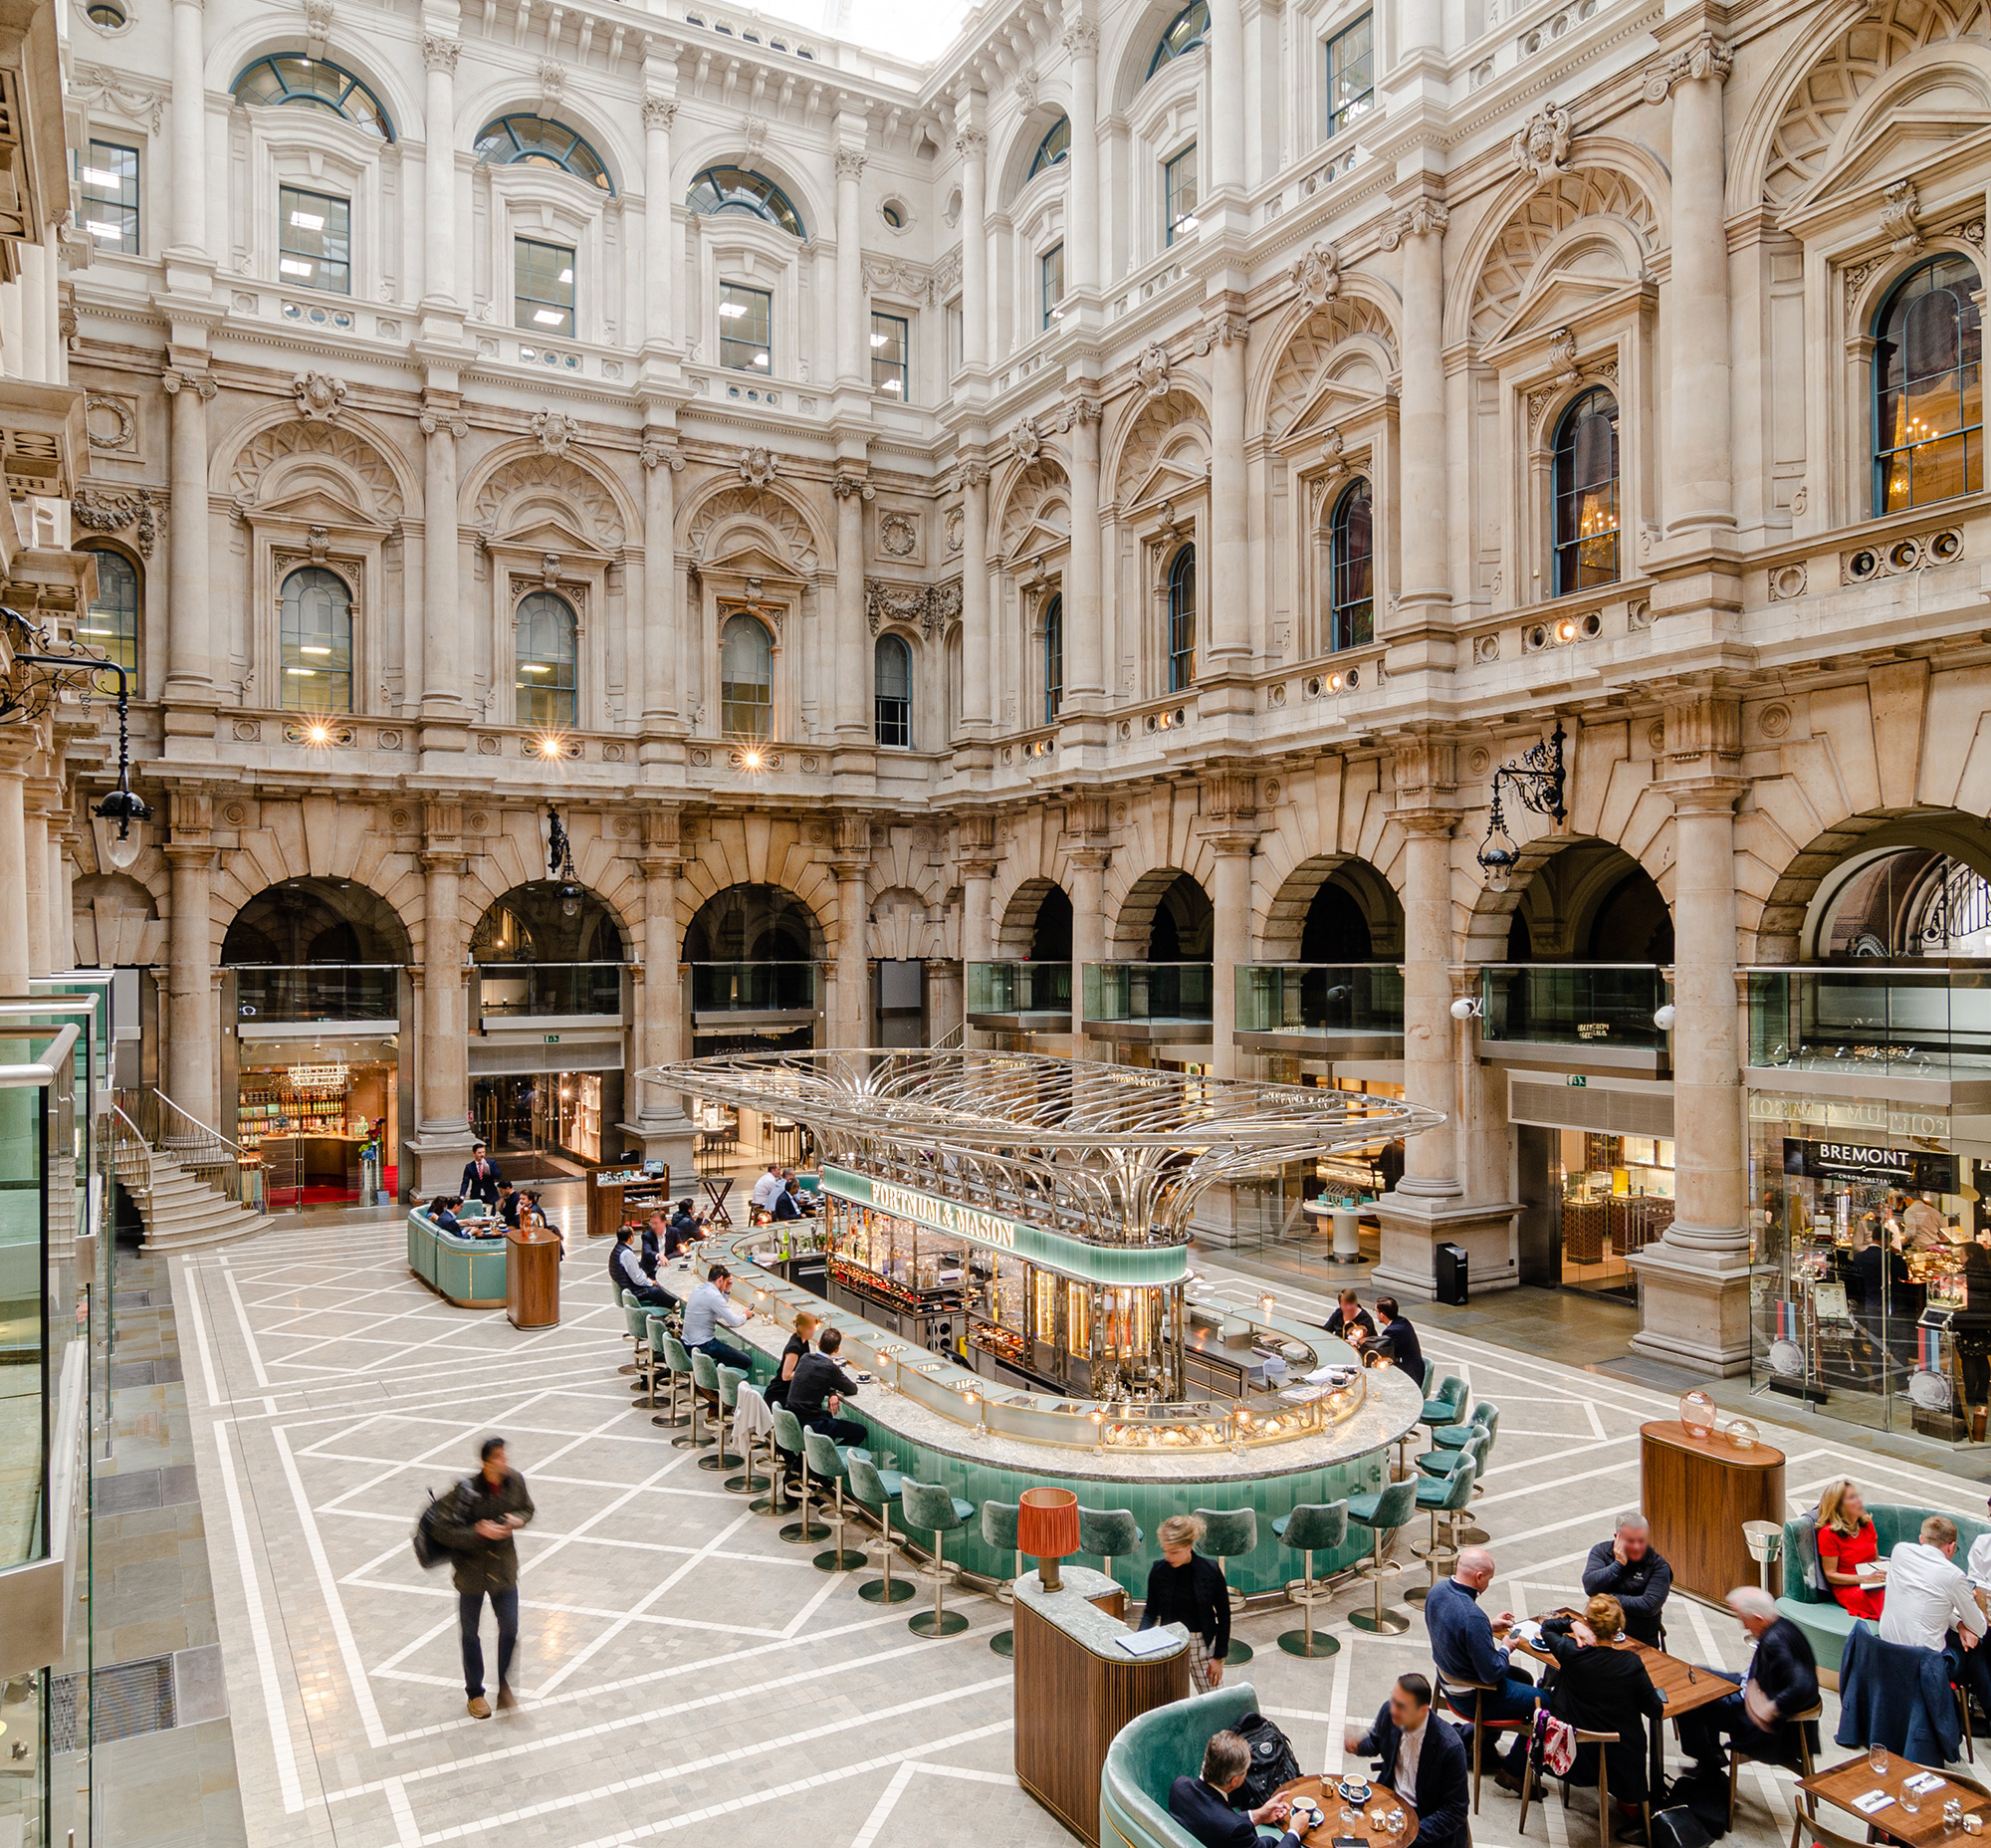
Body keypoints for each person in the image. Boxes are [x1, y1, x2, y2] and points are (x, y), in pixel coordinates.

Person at [428, 1437, 535, 1720]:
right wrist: (478, 1533)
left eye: (504, 1456)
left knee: (510, 1629)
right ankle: (475, 1693)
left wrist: (518, 1520)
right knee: (470, 1634)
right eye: (498, 1457)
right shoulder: (465, 1492)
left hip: (503, 1572)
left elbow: (528, 1508)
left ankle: (504, 1685)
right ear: (486, 1462)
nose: (504, 1461)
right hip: (471, 1574)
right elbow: (441, 1530)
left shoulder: (515, 1482)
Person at [1539, 1593, 1665, 1831]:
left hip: (1576, 1749)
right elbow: (1655, 1710)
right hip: (1620, 1755)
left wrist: (1571, 1623)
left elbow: (1547, 1627)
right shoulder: (1631, 1663)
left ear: (1588, 1623)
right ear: (1619, 1628)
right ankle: (1635, 1810)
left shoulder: (1568, 1651)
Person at [1424, 1547, 1538, 1789]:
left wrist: (1488, 1624)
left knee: (1525, 1678)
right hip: (1472, 1693)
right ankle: (1514, 1771)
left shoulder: (1437, 1591)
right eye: (1489, 1578)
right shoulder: (1472, 1616)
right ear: (1478, 1577)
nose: (1488, 1583)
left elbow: (1457, 1627)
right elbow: (1492, 1673)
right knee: (1547, 1703)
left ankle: (1482, 1746)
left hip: (1446, 1680)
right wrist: (1506, 1648)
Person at [1678, 1586, 1821, 1775]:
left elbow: (1804, 1684)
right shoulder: (1783, 1625)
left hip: (1752, 1711)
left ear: (1758, 1618)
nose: (1744, 1626)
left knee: (1688, 1702)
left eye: (1744, 1620)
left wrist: (1772, 1707)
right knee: (1698, 1675)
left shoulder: (1775, 1640)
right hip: (1753, 1685)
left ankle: (1709, 1763)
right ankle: (1713, 1753)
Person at [1879, 1513, 1991, 1719]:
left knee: (1966, 1643)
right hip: (1923, 1664)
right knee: (1976, 1650)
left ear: (1922, 1539)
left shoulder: (1900, 1551)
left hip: (1886, 1651)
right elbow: (1981, 1628)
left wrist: (1959, 1624)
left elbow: (1927, 1599)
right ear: (1951, 1547)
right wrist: (1967, 1608)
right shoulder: (1954, 1575)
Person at [1344, 1673, 1470, 1848]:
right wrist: (1357, 1746)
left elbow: (1455, 1811)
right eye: (1393, 1700)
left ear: (1423, 1710)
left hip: (1426, 1821)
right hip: (1390, 1804)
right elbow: (1376, 1741)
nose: (1393, 1710)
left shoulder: (1449, 1747)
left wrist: (1409, 1834)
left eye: (1401, 1706)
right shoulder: (1390, 1713)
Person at [1141, 1513, 1231, 1693]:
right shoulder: (1158, 1571)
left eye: (1174, 1552)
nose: (1168, 1556)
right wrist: (1140, 1640)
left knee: (1216, 1702)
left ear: (1189, 1546)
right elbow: (1151, 1612)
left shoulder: (1210, 1571)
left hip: (1202, 1648)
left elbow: (1224, 1616)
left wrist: (1219, 1658)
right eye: (1165, 1550)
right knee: (1168, 1706)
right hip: (1170, 1645)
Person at [1168, 1730, 1300, 1848]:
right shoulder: (1235, 1830)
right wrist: (1295, 1831)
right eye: (1245, 1770)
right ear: (1234, 1781)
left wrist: (1259, 1815)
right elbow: (1226, 1824)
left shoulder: (1179, 1786)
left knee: (1269, 1841)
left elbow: (1212, 1819)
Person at [1582, 1513, 1674, 1647]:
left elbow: (1648, 1606)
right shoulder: (1601, 1552)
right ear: (1617, 1537)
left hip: (1640, 1639)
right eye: (1630, 1541)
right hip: (1600, 1634)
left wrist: (1604, 1598)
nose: (1637, 1547)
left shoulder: (1658, 1566)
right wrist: (1618, 1564)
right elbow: (1590, 1587)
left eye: (1641, 1541)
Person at [1813, 1480, 1887, 1620]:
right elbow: (1831, 1575)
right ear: (1838, 1506)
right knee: (1891, 1598)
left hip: (1873, 1580)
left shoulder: (1867, 1524)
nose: (1860, 1500)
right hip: (1850, 1588)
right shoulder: (1828, 1534)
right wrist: (1866, 1579)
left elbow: (1875, 1558)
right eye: (1852, 1498)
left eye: (1858, 1496)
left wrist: (1884, 1574)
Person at [785, 1324, 866, 1445]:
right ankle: (830, 1459)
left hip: (793, 1418)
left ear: (818, 1344)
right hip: (812, 1423)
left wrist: (832, 1393)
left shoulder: (805, 1358)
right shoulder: (830, 1368)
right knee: (860, 1431)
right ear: (837, 1350)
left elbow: (815, 1378)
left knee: (828, 1414)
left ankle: (814, 1457)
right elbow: (851, 1389)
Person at [682, 1265, 755, 1372]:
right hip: (703, 1346)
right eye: (725, 1282)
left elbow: (719, 1312)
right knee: (745, 1361)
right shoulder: (713, 1296)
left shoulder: (699, 1290)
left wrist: (726, 1291)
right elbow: (734, 1321)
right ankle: (723, 1383)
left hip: (688, 1345)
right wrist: (745, 1315)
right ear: (721, 1279)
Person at [608, 1225, 674, 1308]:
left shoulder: (617, 1249)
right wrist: (651, 1283)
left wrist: (647, 1279)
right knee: (669, 1295)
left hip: (629, 1286)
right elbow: (638, 1279)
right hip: (636, 1291)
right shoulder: (627, 1254)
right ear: (630, 1237)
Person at [766, 1310, 818, 1409]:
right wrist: (806, 1370)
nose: (813, 1331)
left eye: (814, 1328)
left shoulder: (804, 1340)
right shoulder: (794, 1348)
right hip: (780, 1393)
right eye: (810, 1328)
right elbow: (786, 1376)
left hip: (791, 1390)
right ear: (801, 1328)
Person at [1370, 1297, 1426, 1382]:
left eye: (1376, 1311)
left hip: (1410, 1374)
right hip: (1417, 1367)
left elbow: (1386, 1353)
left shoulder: (1391, 1331)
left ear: (1382, 1314)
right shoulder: (1403, 1321)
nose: (1376, 1313)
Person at [460, 1141, 503, 1208]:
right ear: (474, 1153)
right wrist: (462, 1195)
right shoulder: (469, 1167)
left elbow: (498, 1175)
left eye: (483, 1152)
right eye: (479, 1153)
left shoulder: (491, 1163)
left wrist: (488, 1168)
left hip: (490, 1194)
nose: (482, 1154)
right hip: (476, 1195)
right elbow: (465, 1182)